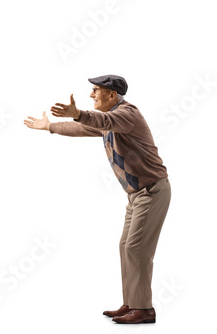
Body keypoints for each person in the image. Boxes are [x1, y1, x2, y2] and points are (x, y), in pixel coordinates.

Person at [24, 75, 171, 324]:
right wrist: (50, 127)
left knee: (137, 249)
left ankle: (144, 309)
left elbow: (99, 119)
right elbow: (82, 128)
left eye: (96, 91)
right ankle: (132, 303)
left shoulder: (126, 114)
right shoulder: (112, 120)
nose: (92, 95)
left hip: (152, 191)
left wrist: (79, 113)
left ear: (112, 95)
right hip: (136, 195)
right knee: (126, 247)